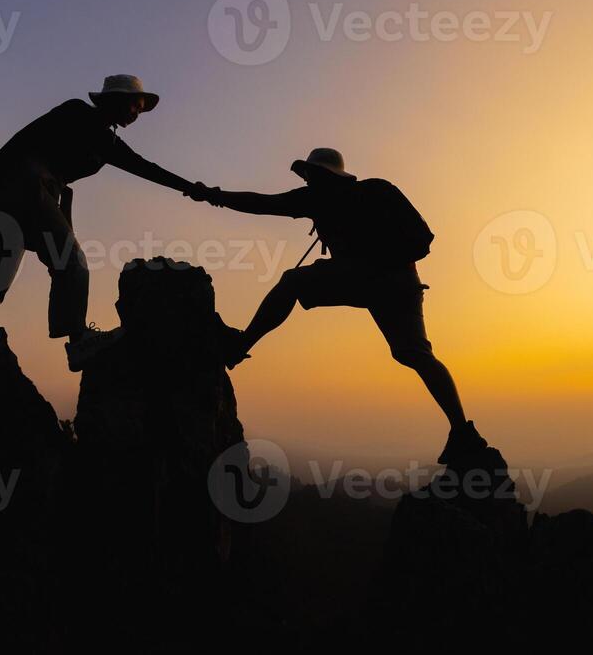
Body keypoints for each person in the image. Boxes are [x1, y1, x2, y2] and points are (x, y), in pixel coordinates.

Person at [191, 148, 488, 463]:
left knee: (296, 284)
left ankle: (239, 346)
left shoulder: (372, 191)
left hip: (384, 279)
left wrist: (373, 262)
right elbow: (263, 203)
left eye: (314, 175)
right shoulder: (327, 197)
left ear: (330, 176)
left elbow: (422, 240)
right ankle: (462, 431)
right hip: (399, 284)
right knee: (413, 352)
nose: (310, 181)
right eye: (309, 176)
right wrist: (215, 196)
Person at [0, 75, 199, 370]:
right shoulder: (77, 112)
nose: (137, 112)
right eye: (135, 104)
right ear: (115, 100)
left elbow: (145, 168)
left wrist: (192, 188)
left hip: (34, 193)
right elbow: (25, 137)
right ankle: (79, 339)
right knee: (71, 261)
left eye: (141, 108)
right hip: (24, 184)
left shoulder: (108, 143)